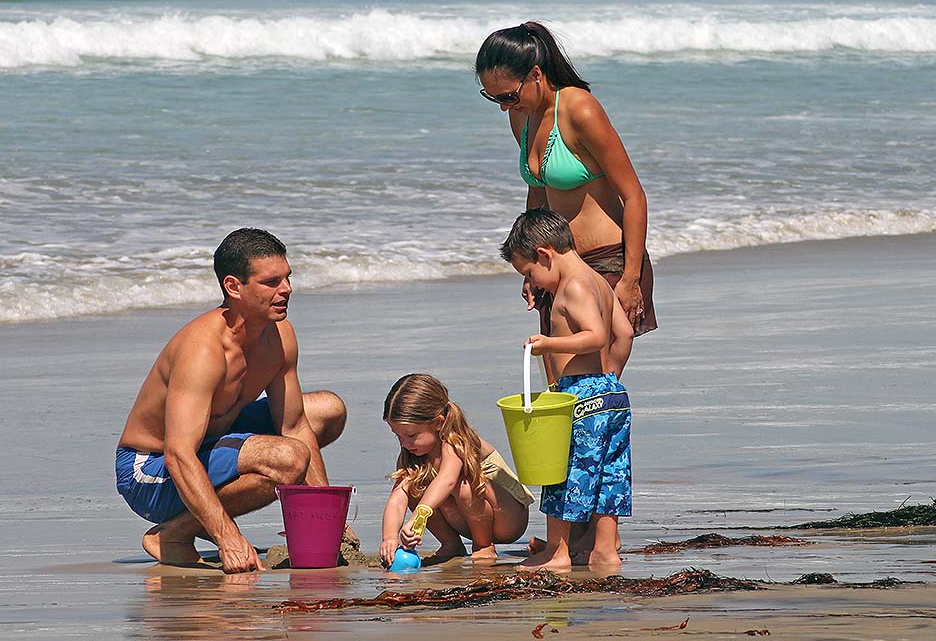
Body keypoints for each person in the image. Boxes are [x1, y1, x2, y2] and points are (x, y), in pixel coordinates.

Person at [115, 228, 347, 574]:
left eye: (287, 278)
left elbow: (295, 424)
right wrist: (228, 538)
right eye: (271, 282)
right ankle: (173, 535)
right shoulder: (203, 350)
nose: (287, 290)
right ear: (233, 287)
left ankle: (189, 523)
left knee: (328, 410)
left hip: (210, 439)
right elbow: (179, 454)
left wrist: (325, 520)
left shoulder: (279, 334)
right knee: (288, 459)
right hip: (151, 470)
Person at [475, 21, 655, 377]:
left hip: (608, 264)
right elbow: (538, 191)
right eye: (492, 97)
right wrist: (530, 264)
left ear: (536, 74)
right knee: (560, 390)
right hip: (556, 263)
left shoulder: (580, 110)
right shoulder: (520, 116)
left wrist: (631, 278)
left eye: (508, 95)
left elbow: (633, 195)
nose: (502, 106)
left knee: (592, 390)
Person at [500, 208, 632, 572]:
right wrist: (611, 377)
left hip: (582, 396)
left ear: (544, 254)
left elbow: (597, 335)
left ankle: (557, 552)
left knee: (562, 472)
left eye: (530, 273)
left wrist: (548, 345)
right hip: (611, 396)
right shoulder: (599, 282)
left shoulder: (571, 287)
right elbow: (624, 334)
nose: (534, 283)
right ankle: (605, 551)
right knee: (610, 475)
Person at [379, 373, 533, 568]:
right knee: (413, 487)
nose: (404, 443)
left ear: (438, 422)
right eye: (397, 436)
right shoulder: (412, 453)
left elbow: (448, 480)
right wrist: (390, 537)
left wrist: (418, 515)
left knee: (463, 484)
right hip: (472, 519)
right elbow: (398, 497)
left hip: (508, 518)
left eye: (411, 435)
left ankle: (484, 545)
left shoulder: (456, 441)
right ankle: (451, 545)